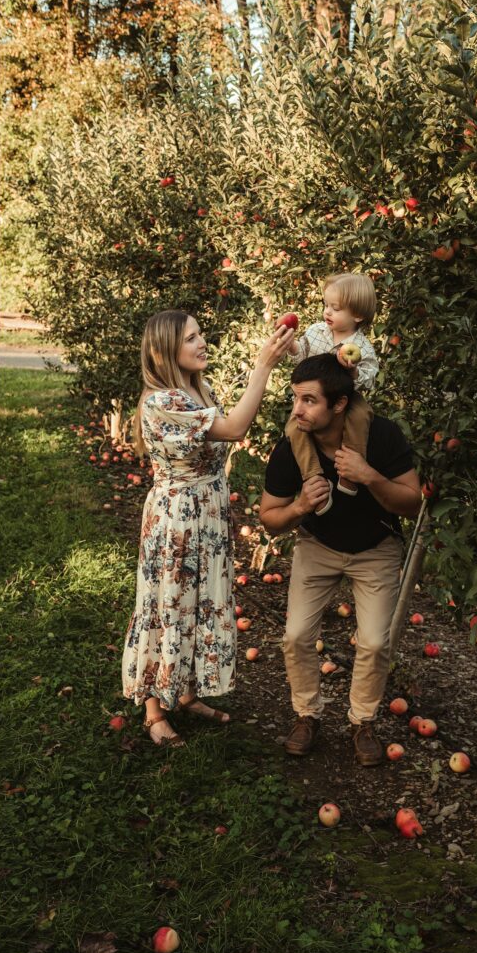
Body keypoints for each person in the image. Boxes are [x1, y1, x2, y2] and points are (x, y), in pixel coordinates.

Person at [122, 309, 294, 747]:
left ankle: (186, 692)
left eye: (201, 333)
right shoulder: (162, 402)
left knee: (199, 604)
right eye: (191, 338)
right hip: (178, 521)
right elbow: (235, 428)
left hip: (208, 515)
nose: (202, 343)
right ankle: (154, 710)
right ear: (166, 351)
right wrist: (263, 367)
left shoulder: (197, 390)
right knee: (169, 605)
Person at [259, 353, 422, 766]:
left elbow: (413, 504)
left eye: (309, 401)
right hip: (318, 545)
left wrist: (368, 475)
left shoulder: (382, 436)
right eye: (295, 398)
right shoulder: (292, 445)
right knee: (295, 636)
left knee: (373, 641)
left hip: (375, 549)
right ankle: (306, 714)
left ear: (339, 403)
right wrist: (298, 508)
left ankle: (362, 721)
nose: (297, 410)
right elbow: (269, 518)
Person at [286, 273, 378, 512]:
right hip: (313, 397)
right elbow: (301, 352)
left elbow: (369, 379)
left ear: (357, 315)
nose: (327, 312)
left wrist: (354, 371)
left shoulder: (362, 347)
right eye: (326, 305)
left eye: (335, 308)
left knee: (360, 417)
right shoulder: (317, 331)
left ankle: (349, 470)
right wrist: (291, 344)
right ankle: (313, 476)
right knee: (293, 428)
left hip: (348, 397)